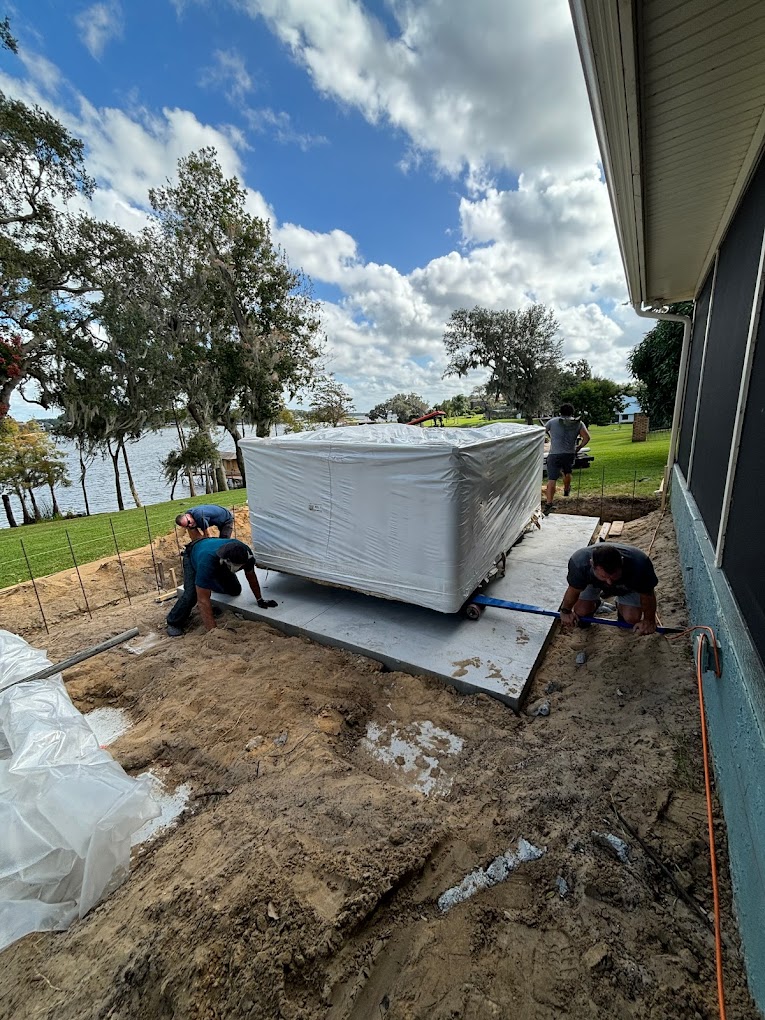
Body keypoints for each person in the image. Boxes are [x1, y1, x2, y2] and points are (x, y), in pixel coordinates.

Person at [166, 538, 278, 636]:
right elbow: (203, 600)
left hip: (214, 554)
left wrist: (260, 599)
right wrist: (213, 631)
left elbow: (251, 576)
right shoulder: (207, 562)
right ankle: (174, 622)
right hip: (194, 554)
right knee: (192, 594)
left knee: (235, 590)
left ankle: (208, 584)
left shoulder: (245, 554)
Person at [559, 542, 659, 636]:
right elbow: (573, 590)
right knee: (581, 611)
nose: (609, 582)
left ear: (622, 562)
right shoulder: (579, 563)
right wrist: (565, 611)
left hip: (627, 585)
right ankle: (594, 604)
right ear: (591, 564)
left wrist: (649, 620)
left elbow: (647, 595)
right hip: (591, 583)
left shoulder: (640, 565)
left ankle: (621, 609)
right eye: (603, 577)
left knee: (631, 618)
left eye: (613, 576)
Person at [544, 404, 590, 512]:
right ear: (572, 412)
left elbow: (542, 432)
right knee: (567, 472)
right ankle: (566, 489)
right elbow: (587, 437)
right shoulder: (578, 423)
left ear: (560, 412)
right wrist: (578, 447)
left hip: (554, 454)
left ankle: (549, 504)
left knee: (552, 479)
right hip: (569, 453)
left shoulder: (552, 422)